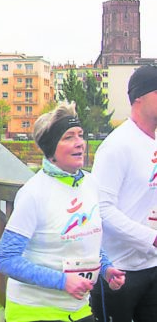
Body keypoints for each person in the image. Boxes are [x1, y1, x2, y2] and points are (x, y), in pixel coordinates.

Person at [0, 102, 125, 322]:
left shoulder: (90, 183)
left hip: (78, 307)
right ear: (51, 148)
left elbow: (86, 238)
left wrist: (106, 268)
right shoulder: (34, 193)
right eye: (68, 137)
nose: (80, 143)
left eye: (80, 135)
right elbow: (5, 259)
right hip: (34, 311)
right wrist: (62, 281)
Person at [90, 64, 157, 322]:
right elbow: (102, 209)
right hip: (119, 271)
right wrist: (150, 238)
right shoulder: (117, 146)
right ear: (139, 96)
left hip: (152, 266)